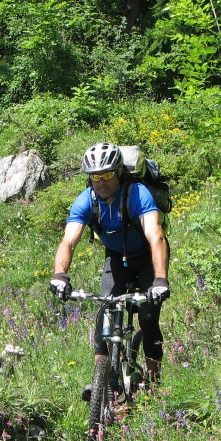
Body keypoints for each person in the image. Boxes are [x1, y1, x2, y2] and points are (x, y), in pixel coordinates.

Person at [50, 142, 170, 391]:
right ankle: (102, 383)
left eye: (106, 175)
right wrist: (60, 275)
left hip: (147, 255)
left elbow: (156, 236)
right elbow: (68, 241)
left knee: (148, 318)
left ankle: (155, 383)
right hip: (116, 256)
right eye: (95, 177)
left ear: (118, 173)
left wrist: (160, 280)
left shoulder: (137, 194)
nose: (101, 182)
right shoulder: (87, 200)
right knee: (104, 312)